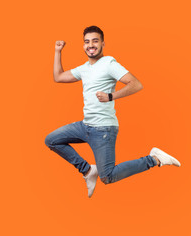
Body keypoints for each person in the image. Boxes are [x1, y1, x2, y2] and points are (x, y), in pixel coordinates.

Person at [45, 26, 181, 198]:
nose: (91, 45)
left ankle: (154, 159)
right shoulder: (84, 68)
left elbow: (136, 84)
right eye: (87, 42)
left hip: (103, 129)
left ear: (102, 43)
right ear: (83, 45)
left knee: (108, 177)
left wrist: (111, 96)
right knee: (52, 140)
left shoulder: (109, 63)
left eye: (95, 41)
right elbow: (58, 77)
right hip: (85, 125)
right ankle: (87, 170)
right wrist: (58, 51)